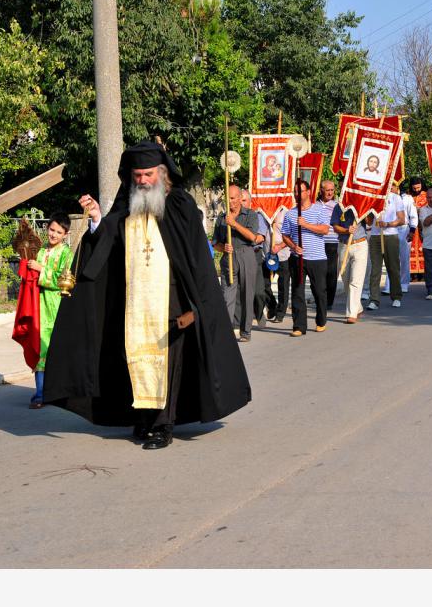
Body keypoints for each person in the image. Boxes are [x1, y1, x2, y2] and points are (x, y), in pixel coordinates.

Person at [43, 141, 251, 450]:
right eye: (137, 174)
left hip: (173, 301)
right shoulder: (125, 206)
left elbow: (196, 259)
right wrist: (99, 218)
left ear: (162, 173)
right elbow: (106, 245)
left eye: (148, 174)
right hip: (133, 302)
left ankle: (162, 425)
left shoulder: (181, 206)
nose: (142, 180)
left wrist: (197, 305)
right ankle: (142, 418)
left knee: (169, 364)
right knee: (134, 361)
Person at [26, 212, 74, 409]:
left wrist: (40, 269)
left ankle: (60, 392)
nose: (54, 234)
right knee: (40, 346)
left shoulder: (66, 254)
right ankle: (40, 393)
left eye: (59, 232)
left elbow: (65, 281)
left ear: (65, 234)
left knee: (56, 347)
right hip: (38, 304)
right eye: (52, 230)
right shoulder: (40, 249)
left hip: (57, 305)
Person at [280, 179, 332, 336]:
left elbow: (324, 230)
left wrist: (306, 225)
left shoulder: (319, 210)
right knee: (297, 292)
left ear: (308, 192)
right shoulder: (290, 214)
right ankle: (299, 326)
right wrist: (294, 246)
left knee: (319, 291)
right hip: (298, 258)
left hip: (317, 258)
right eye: (295, 192)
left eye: (300, 191)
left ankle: (321, 320)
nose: (297, 194)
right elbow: (285, 235)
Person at [213, 185, 262, 342]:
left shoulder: (250, 215)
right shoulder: (221, 218)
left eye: (233, 198)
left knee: (247, 294)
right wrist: (223, 247)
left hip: (246, 254)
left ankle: (245, 332)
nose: (230, 201)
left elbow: (252, 237)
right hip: (229, 257)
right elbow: (215, 243)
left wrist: (234, 224)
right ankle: (227, 331)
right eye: (228, 198)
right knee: (227, 296)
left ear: (240, 199)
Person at [367, 187, 406, 310]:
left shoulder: (395, 197)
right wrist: (371, 213)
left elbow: (402, 219)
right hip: (375, 236)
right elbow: (368, 222)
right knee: (375, 270)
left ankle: (396, 296)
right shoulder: (372, 196)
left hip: (390, 236)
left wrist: (388, 224)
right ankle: (374, 299)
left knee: (393, 267)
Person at [332, 205, 368, 323]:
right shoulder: (339, 206)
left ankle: (351, 313)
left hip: (360, 244)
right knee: (346, 279)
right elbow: (335, 226)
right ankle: (358, 307)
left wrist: (365, 212)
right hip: (343, 245)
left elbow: (370, 222)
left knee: (355, 280)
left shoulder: (362, 202)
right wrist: (347, 230)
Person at [242, 189, 271, 333]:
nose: (241, 203)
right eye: (239, 200)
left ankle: (259, 313)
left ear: (250, 201)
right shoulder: (233, 217)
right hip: (239, 255)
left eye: (244, 200)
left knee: (259, 290)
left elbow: (260, 237)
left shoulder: (257, 216)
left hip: (254, 253)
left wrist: (246, 238)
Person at [319, 180, 340, 311]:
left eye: (332, 190)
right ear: (321, 190)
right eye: (328, 190)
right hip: (318, 242)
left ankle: (329, 301)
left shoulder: (338, 206)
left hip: (332, 242)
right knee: (319, 273)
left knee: (331, 273)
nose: (330, 193)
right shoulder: (314, 205)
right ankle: (320, 298)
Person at [397, 182, 419, 292]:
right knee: (390, 258)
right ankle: (390, 284)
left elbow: (413, 216)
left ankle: (404, 283)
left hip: (404, 229)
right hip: (390, 229)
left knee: (404, 258)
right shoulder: (388, 197)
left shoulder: (408, 198)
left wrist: (412, 231)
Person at [407, 177, 428, 280]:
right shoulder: (408, 196)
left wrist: (418, 209)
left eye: (418, 188)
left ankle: (423, 273)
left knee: (422, 248)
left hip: (422, 227)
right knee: (411, 249)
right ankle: (412, 274)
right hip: (411, 228)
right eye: (414, 188)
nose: (416, 190)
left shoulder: (426, 196)